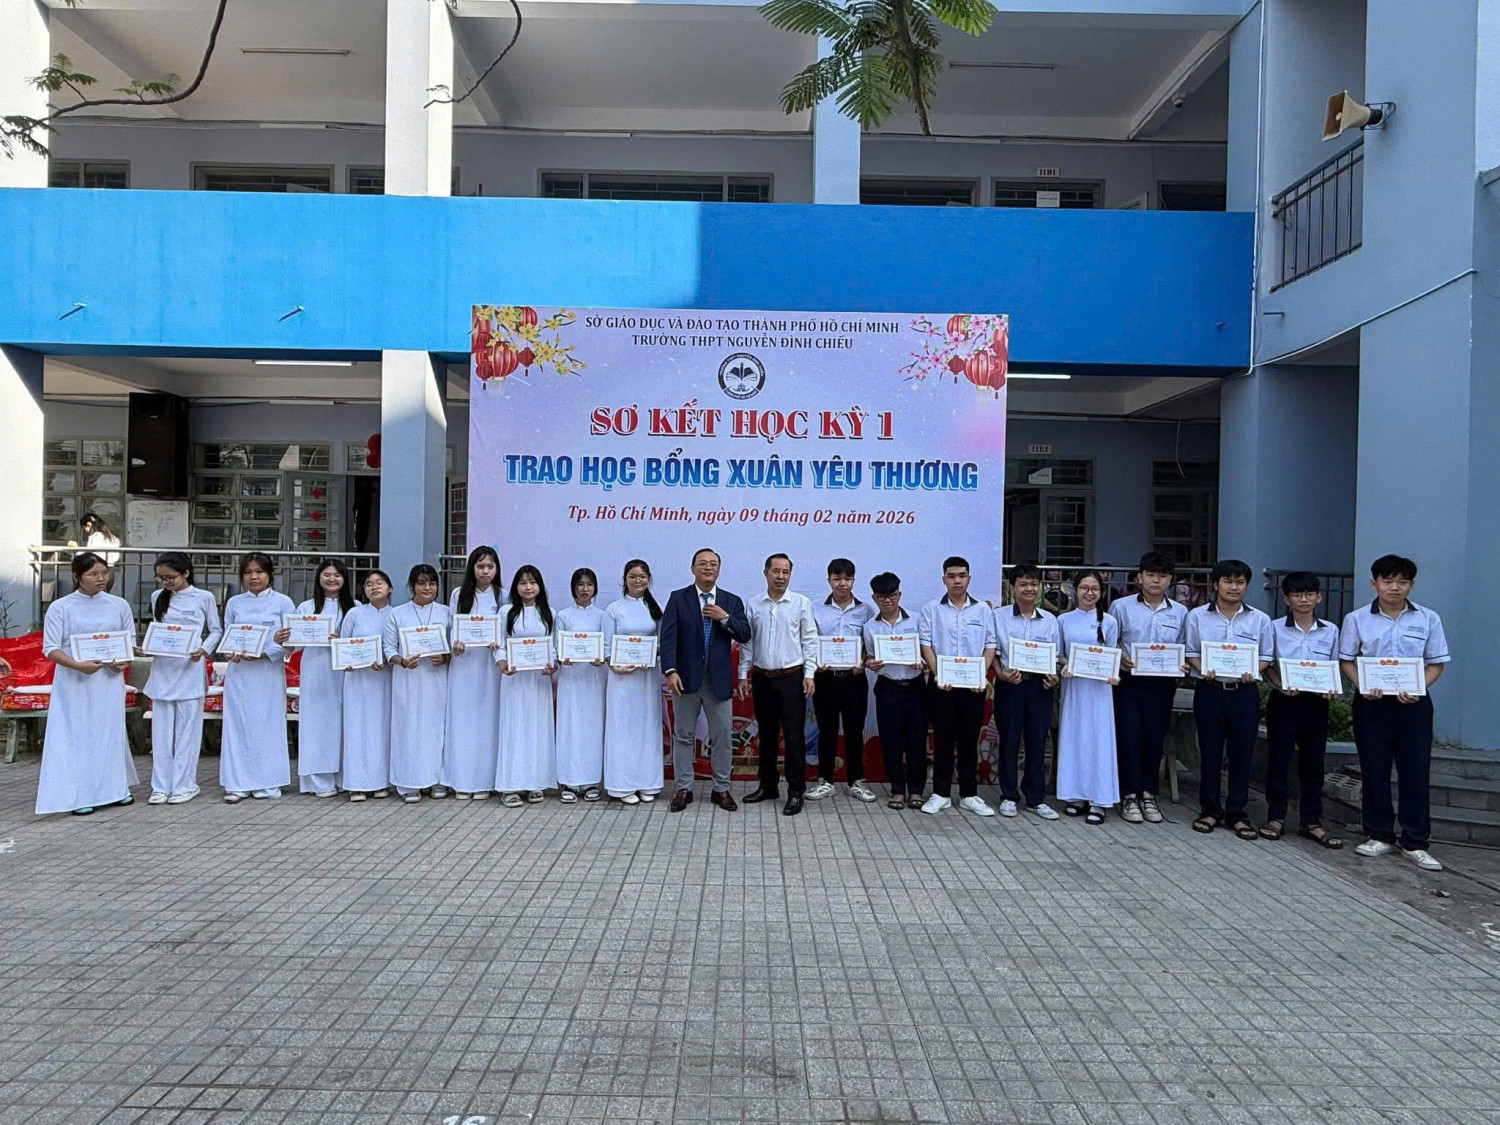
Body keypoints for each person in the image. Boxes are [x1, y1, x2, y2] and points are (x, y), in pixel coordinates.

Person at [1339, 554, 1450, 871]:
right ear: (1374, 583)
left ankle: (1415, 841)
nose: (1395, 587)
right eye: (1388, 581)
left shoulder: (1428, 618)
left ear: (1411, 585)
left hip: (1413, 704)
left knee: (1415, 770)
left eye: (1402, 581)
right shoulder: (1357, 619)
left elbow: (1436, 662)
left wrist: (1418, 687)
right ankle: (1379, 834)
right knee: (1374, 768)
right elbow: (1347, 660)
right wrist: (1362, 685)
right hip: (1372, 704)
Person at [35, 552, 136, 816]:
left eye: (104, 573)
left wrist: (122, 661)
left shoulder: (119, 605)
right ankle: (79, 793)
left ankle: (115, 789)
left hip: (108, 679)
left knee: (109, 730)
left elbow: (128, 640)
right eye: (93, 574)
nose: (101, 578)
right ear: (77, 577)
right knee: (77, 734)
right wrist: (77, 665)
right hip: (74, 680)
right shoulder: (62, 607)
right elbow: (50, 648)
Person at [1184, 558, 1274, 840]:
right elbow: (1191, 651)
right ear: (1216, 584)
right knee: (1210, 752)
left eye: (1240, 582)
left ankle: (1237, 813)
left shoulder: (1259, 619)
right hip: (1210, 690)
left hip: (1244, 693)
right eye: (1228, 581)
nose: (1234, 587)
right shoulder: (1197, 616)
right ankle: (1209, 810)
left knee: (1241, 754)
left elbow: (1266, 656)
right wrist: (1202, 668)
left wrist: (1252, 670)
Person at [660, 548, 752, 812]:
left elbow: (744, 634)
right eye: (702, 563)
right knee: (684, 736)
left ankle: (721, 788)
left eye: (713, 564)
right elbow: (668, 639)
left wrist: (724, 618)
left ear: (719, 570)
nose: (708, 568)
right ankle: (683, 788)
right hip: (685, 680)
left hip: (719, 681)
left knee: (722, 737)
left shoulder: (731, 601)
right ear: (693, 569)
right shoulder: (678, 598)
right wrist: (670, 671)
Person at [1264, 571, 1342, 848]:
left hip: (1316, 703)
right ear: (1287, 599)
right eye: (1297, 595)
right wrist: (1278, 683)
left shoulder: (1330, 630)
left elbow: (1334, 665)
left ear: (1319, 597)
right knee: (1279, 760)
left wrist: (1331, 687)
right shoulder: (1274, 628)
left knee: (1313, 762)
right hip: (1284, 700)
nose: (1304, 599)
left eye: (1309, 594)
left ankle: (1312, 821)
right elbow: (1267, 663)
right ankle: (1275, 817)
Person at [1109, 551, 1189, 824]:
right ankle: (1129, 795)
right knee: (1129, 736)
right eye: (1151, 575)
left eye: (1162, 576)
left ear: (1170, 579)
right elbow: (1111, 641)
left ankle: (1149, 794)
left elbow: (1184, 646)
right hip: (1129, 681)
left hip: (1162, 683)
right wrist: (1122, 657)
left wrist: (1182, 664)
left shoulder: (1180, 612)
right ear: (1139, 577)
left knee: (1154, 737)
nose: (1156, 580)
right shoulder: (1121, 607)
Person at [739, 553, 819, 816]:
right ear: (766, 573)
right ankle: (768, 786)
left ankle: (796, 792)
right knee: (766, 735)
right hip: (762, 678)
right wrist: (743, 674)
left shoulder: (801, 603)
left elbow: (810, 640)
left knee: (794, 737)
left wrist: (809, 673)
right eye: (776, 571)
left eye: (785, 572)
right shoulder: (753, 604)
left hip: (792, 678)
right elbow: (747, 643)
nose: (781, 577)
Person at [917, 556, 998, 816]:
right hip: (942, 685)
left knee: (968, 741)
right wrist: (938, 673)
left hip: (973, 687)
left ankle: (968, 795)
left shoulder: (983, 610)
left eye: (962, 576)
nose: (957, 581)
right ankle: (940, 794)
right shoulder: (931, 609)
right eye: (951, 576)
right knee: (943, 740)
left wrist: (981, 674)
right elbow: (926, 644)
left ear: (969, 579)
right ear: (944, 579)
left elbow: (990, 644)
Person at [143, 551, 221, 805]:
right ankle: (160, 786)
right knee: (161, 733)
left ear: (186, 573)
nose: (166, 582)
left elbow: (216, 630)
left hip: (190, 668)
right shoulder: (158, 597)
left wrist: (204, 649)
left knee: (187, 731)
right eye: (161, 578)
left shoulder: (204, 597)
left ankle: (185, 784)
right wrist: (149, 647)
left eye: (171, 577)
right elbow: (158, 630)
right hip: (163, 669)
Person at [274, 558, 353, 798]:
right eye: (326, 574)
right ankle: (319, 780)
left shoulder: (354, 607)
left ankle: (345, 777)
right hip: (315, 670)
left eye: (337, 575)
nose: (332, 579)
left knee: (345, 723)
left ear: (345, 579)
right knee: (317, 724)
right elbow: (292, 647)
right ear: (319, 578)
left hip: (346, 673)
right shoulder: (306, 608)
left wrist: (343, 640)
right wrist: (282, 640)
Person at [221, 552, 296, 803]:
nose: (254, 577)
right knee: (238, 725)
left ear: (270, 574)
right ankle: (238, 783)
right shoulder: (234, 603)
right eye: (248, 572)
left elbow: (291, 643)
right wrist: (231, 652)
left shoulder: (283, 603)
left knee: (268, 725)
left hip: (268, 673)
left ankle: (267, 782)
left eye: (259, 572)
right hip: (240, 673)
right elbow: (228, 635)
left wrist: (264, 652)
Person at [993, 561, 1062, 820]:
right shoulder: (999, 617)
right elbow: (993, 651)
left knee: (1037, 741)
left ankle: (1035, 798)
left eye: (1034, 584)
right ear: (1013, 588)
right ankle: (1009, 796)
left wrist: (1053, 676)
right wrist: (1000, 673)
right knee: (1009, 741)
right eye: (1023, 584)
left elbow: (1055, 655)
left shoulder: (1050, 621)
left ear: (1040, 587)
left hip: (1039, 687)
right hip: (1010, 684)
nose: (1029, 589)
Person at [809, 557, 877, 803]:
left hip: (854, 680)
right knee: (826, 730)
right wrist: (816, 661)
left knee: (854, 731)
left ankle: (855, 781)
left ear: (853, 581)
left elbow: (870, 645)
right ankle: (825, 781)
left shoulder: (866, 610)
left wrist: (864, 661)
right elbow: (809, 641)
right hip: (825, 678)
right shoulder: (815, 608)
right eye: (837, 578)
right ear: (829, 580)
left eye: (847, 579)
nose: (842, 583)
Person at [1055, 570, 1120, 824]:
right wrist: (1066, 664)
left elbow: (1112, 654)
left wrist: (1113, 674)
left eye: (1094, 589)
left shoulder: (1109, 622)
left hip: (1100, 691)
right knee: (1074, 738)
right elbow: (1060, 653)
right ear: (1075, 590)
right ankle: (1075, 795)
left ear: (1101, 592)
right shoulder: (1064, 620)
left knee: (1099, 741)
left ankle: (1098, 800)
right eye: (1084, 588)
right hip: (1074, 688)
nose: (1089, 593)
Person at [383, 564, 452, 803]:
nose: (427, 588)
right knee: (408, 728)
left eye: (432, 583)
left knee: (436, 728)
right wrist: (401, 661)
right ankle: (408, 782)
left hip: (436, 679)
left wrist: (445, 657)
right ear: (412, 586)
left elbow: (453, 644)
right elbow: (388, 647)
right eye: (422, 583)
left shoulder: (446, 612)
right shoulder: (398, 614)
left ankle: (437, 780)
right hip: (408, 679)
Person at [862, 571, 928, 810]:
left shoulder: (917, 620)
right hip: (887, 687)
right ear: (874, 598)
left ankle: (917, 790)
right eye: (881, 596)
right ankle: (897, 790)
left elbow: (928, 652)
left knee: (917, 740)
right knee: (890, 740)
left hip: (915, 687)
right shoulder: (870, 627)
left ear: (899, 595)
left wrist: (924, 663)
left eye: (891, 595)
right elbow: (870, 656)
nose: (887, 600)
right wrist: (871, 663)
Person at [603, 560, 665, 804]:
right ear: (624, 580)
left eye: (642, 576)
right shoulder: (614, 609)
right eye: (632, 576)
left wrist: (653, 655)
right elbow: (607, 646)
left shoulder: (655, 610)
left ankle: (648, 782)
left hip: (647, 678)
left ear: (649, 579)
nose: (638, 580)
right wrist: (614, 665)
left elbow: (661, 643)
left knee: (647, 727)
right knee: (623, 728)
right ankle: (622, 785)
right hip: (622, 680)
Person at [495, 564, 556, 806]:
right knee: (514, 729)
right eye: (523, 583)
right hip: (513, 679)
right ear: (515, 587)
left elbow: (553, 646)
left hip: (539, 680)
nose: (528, 587)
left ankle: (535, 783)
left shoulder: (549, 612)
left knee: (537, 730)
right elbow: (499, 643)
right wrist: (502, 664)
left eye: (532, 582)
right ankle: (510, 785)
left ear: (540, 586)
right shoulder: (506, 612)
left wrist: (552, 665)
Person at [445, 546, 502, 801]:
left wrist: (498, 643)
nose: (485, 571)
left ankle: (484, 781)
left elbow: (507, 631)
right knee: (462, 721)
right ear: (472, 569)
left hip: (490, 668)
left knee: (488, 722)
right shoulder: (459, 594)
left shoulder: (502, 596)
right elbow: (451, 628)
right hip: (464, 665)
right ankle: (461, 780)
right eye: (480, 566)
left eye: (490, 566)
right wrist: (454, 646)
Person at [340, 570, 395, 802]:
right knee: (357, 730)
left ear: (390, 588)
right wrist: (346, 661)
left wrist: (387, 662)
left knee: (382, 730)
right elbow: (342, 645)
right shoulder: (354, 614)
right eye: (369, 584)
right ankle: (356, 784)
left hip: (384, 680)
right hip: (357, 682)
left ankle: (381, 782)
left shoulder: (396, 614)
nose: (374, 587)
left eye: (380, 583)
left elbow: (397, 648)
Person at [555, 566, 607, 802]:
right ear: (573, 588)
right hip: (570, 680)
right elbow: (557, 647)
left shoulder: (602, 615)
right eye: (580, 584)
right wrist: (561, 657)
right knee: (570, 727)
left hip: (593, 680)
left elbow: (606, 645)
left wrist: (601, 657)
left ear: (595, 588)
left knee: (592, 728)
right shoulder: (563, 616)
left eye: (589, 584)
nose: (585, 589)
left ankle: (591, 781)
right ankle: (568, 781)